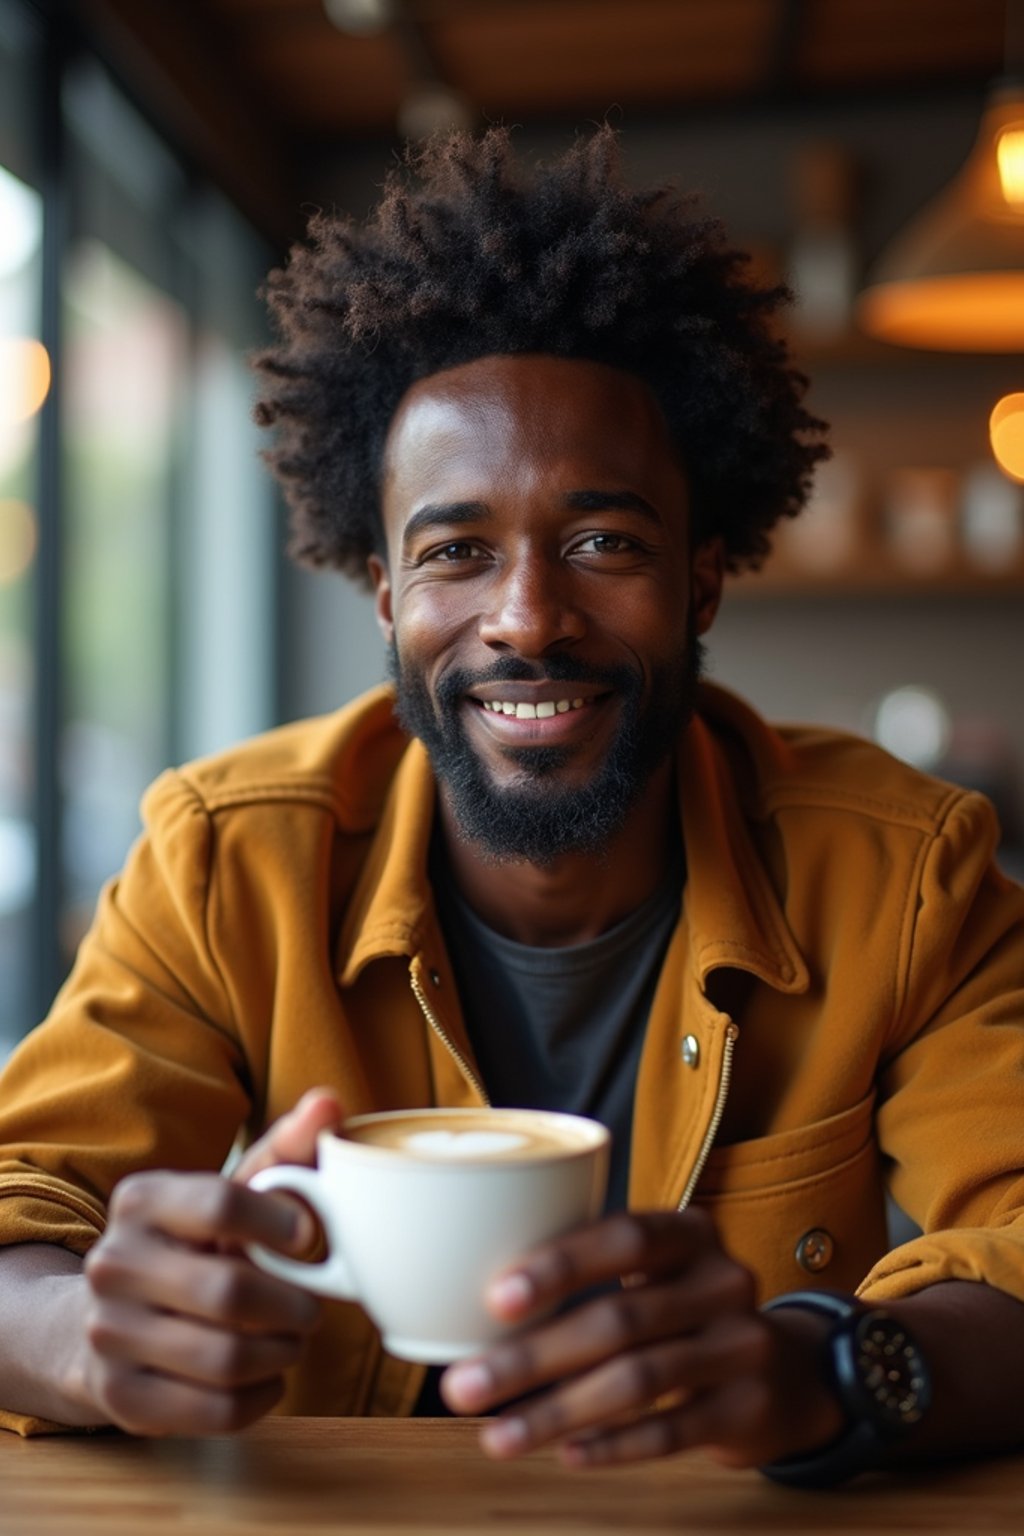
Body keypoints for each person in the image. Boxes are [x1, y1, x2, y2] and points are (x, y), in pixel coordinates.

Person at [1, 126, 1024, 1487]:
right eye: (457, 553)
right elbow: (24, 1215)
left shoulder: (906, 875)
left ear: (703, 581)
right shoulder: (227, 857)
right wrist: (84, 1333)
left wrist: (810, 1370)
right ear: (383, 593)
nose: (528, 617)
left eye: (604, 543)